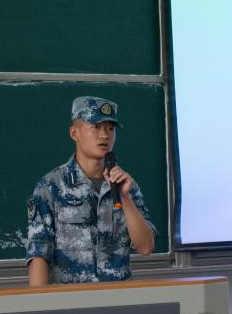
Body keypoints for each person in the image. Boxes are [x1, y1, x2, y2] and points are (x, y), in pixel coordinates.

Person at [26, 96, 156, 286]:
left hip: (118, 299)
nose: (105, 135)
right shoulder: (50, 186)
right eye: (96, 127)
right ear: (74, 133)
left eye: (110, 129)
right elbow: (39, 252)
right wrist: (38, 302)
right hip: (71, 299)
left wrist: (125, 198)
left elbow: (146, 247)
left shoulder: (126, 186)